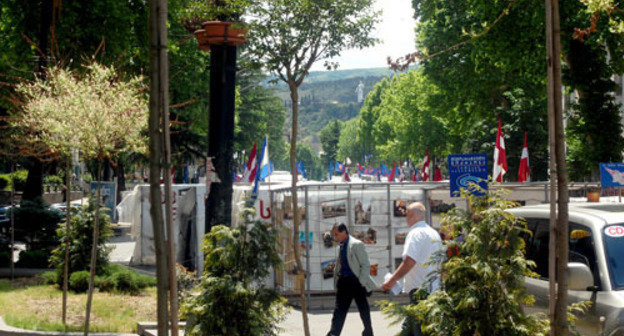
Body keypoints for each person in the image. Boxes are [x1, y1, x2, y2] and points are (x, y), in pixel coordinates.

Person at [381, 202, 443, 336]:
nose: (406, 219)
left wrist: (392, 280)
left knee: (418, 329)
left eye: (407, 215)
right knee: (412, 328)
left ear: (413, 216)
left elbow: (409, 261)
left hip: (419, 290)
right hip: (433, 288)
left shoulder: (415, 233)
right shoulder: (434, 233)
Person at [327, 223, 377, 336]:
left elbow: (365, 265)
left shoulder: (356, 244)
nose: (335, 237)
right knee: (339, 311)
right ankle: (333, 334)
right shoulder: (342, 244)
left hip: (356, 281)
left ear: (344, 232)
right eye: (334, 234)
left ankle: (368, 332)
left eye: (336, 234)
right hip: (343, 282)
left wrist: (361, 282)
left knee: (363, 308)